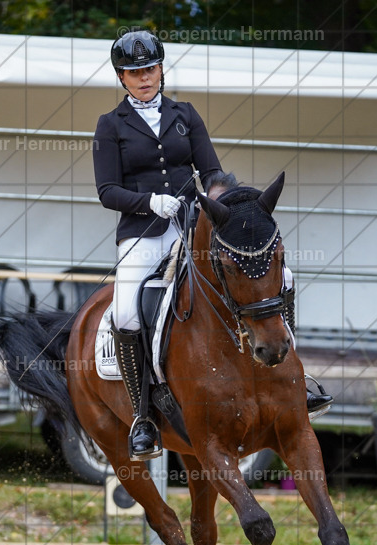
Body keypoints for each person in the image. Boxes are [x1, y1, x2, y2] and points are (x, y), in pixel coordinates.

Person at [92, 30, 329, 459]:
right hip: (143, 233)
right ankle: (144, 417)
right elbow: (107, 190)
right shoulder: (111, 125)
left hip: (194, 227)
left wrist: (228, 207)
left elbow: (213, 174)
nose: (144, 78)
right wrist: (149, 202)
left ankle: (295, 382)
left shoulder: (185, 114)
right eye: (134, 72)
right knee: (126, 313)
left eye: (150, 69)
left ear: (160, 70)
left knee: (284, 278)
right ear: (121, 77)